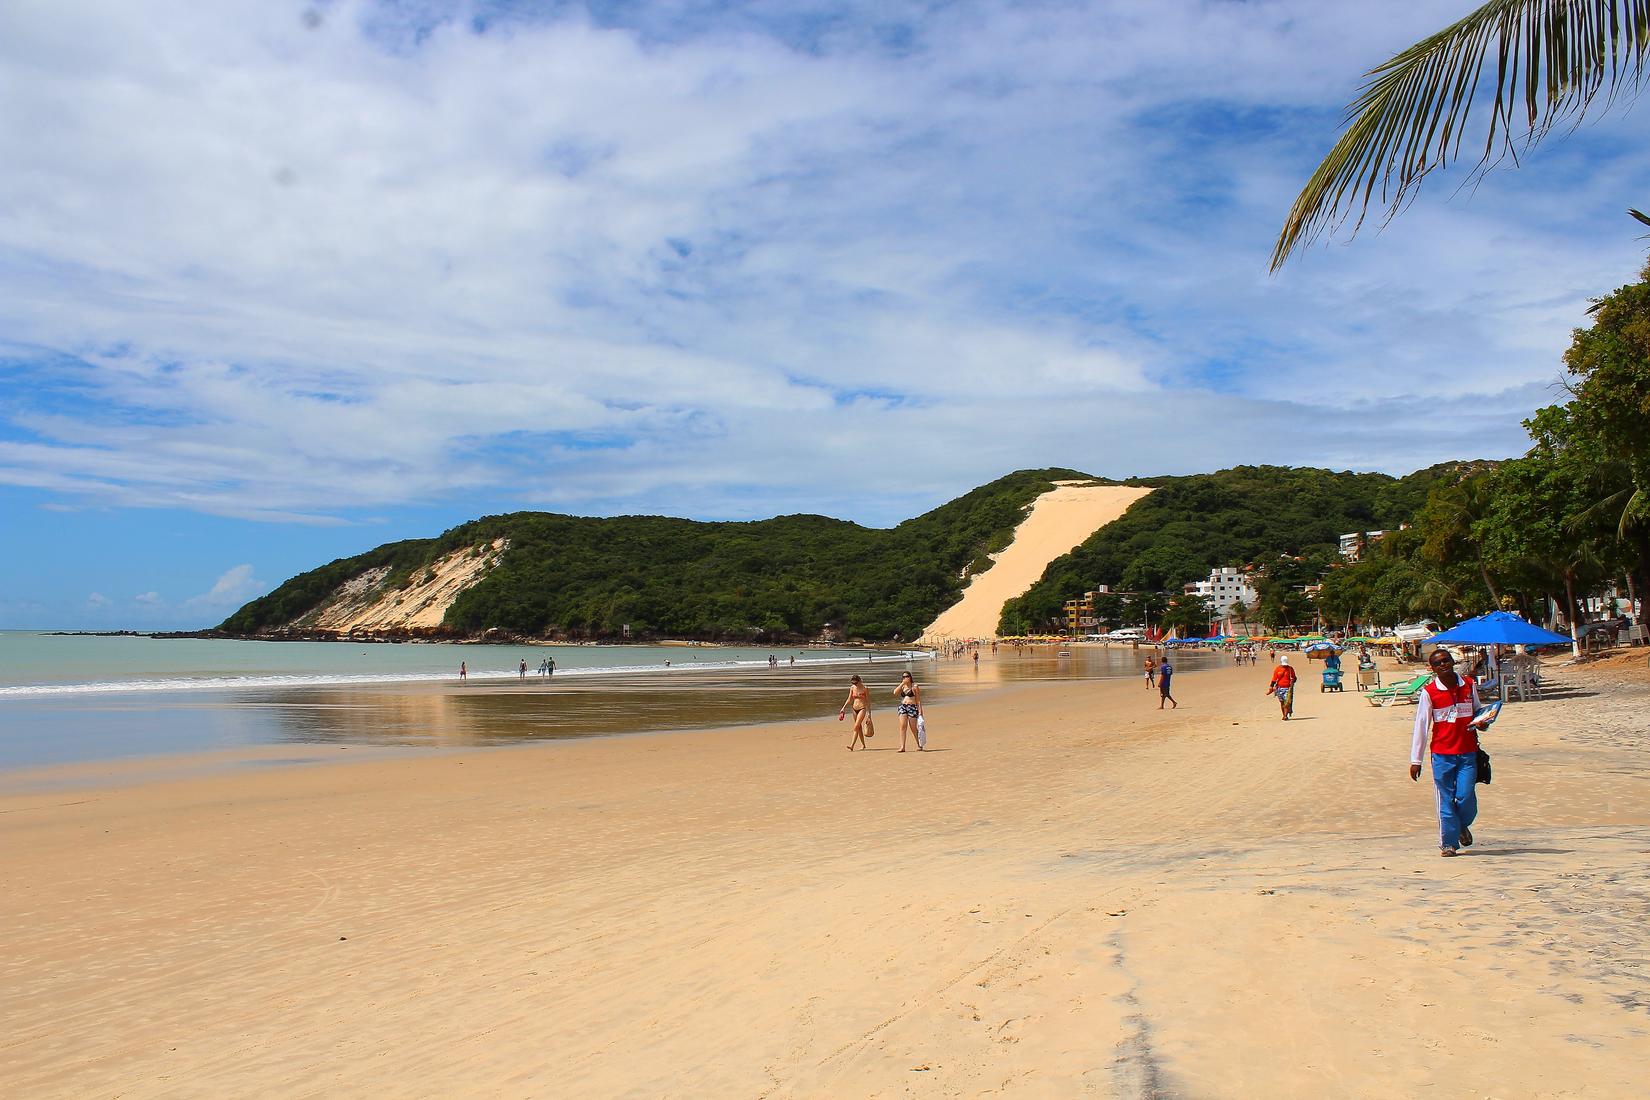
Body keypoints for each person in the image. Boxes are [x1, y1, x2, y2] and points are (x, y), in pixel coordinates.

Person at [1409, 646, 1484, 857]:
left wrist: (1483, 722)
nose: (1443, 665)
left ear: (1452, 662)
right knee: (1445, 798)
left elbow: (1477, 711)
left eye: (1446, 660)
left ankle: (1461, 824)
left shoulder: (1469, 685)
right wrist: (1416, 760)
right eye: (1437, 663)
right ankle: (1448, 844)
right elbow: (1421, 726)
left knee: (1466, 796)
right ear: (1432, 668)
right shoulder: (1429, 692)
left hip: (1468, 753)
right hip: (1441, 754)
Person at [892, 671, 925, 752]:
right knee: (903, 726)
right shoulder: (903, 686)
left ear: (910, 677)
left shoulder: (915, 686)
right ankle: (902, 746)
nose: (905, 678)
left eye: (906, 676)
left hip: (912, 707)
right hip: (903, 706)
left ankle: (919, 745)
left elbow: (918, 700)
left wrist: (920, 712)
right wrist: (902, 684)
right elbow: (895, 692)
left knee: (913, 728)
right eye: (903, 677)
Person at [839, 674, 874, 750]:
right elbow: (849, 699)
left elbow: (868, 701)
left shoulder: (865, 688)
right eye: (853, 683)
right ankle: (863, 745)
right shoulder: (852, 688)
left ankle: (852, 745)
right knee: (859, 728)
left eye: (855, 683)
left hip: (862, 708)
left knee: (856, 726)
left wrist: (869, 713)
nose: (854, 684)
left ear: (859, 681)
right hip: (854, 708)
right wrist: (843, 708)